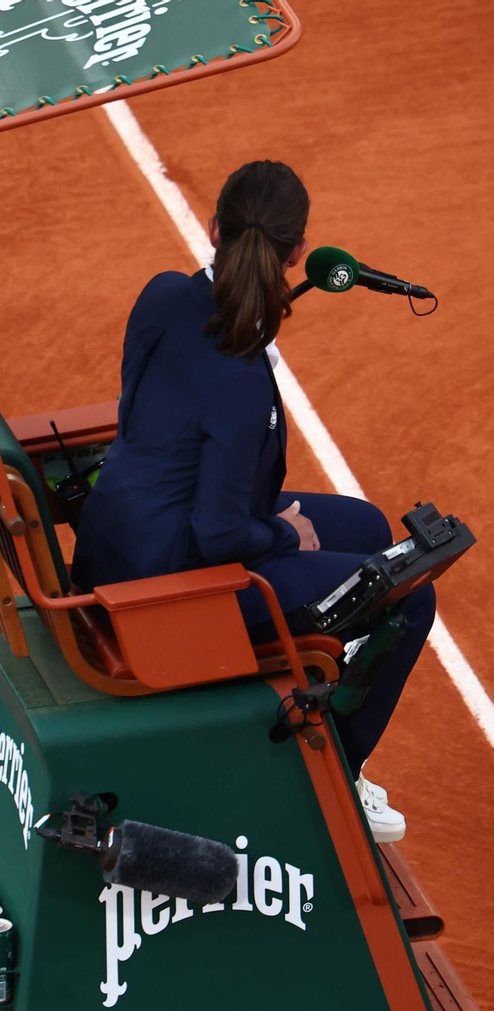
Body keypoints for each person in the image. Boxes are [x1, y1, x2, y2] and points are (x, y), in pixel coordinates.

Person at [71, 160, 435, 843]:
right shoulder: (240, 382)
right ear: (300, 252)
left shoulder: (162, 295)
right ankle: (333, 774)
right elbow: (218, 534)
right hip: (170, 585)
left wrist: (269, 523)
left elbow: (144, 412)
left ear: (214, 229)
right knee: (411, 593)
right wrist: (283, 537)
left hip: (116, 536)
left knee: (367, 527)